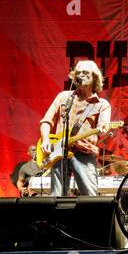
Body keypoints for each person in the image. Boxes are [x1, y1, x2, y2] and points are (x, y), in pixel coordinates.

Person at [39, 60, 111, 196]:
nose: (81, 75)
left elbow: (104, 127)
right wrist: (46, 139)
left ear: (95, 77)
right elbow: (46, 121)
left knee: (90, 197)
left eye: (85, 73)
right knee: (56, 197)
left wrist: (103, 129)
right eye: (78, 73)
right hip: (59, 152)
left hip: (84, 154)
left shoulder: (102, 104)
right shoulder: (64, 97)